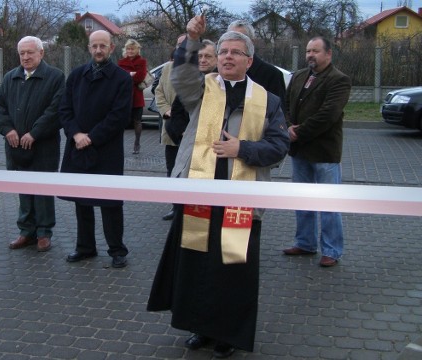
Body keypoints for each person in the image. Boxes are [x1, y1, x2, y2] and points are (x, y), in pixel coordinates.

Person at [147, 14, 290, 358]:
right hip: (199, 191)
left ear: (249, 60)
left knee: (232, 267)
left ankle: (227, 334)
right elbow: (180, 74)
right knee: (196, 263)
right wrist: (191, 39)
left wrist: (242, 148)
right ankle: (200, 327)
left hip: (240, 196)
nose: (227, 56)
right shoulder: (203, 88)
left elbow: (279, 145)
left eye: (235, 52)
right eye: (223, 51)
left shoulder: (267, 100)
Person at [59, 30, 133, 268]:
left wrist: (91, 137)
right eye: (94, 46)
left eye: (103, 46)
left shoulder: (121, 78)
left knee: (110, 202)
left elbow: (119, 116)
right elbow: (65, 109)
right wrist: (76, 134)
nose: (98, 50)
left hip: (106, 149)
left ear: (111, 48)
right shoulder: (77, 75)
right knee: (82, 201)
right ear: (89, 48)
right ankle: (85, 247)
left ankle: (117, 250)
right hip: (78, 146)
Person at [282, 36, 351, 267]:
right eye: (308, 51)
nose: (310, 55)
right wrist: (287, 125)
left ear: (328, 54)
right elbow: (285, 105)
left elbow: (328, 115)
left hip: (324, 152)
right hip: (299, 151)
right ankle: (305, 243)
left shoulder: (339, 80)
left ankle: (332, 250)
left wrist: (298, 132)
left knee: (329, 204)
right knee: (302, 200)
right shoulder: (299, 76)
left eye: (316, 51)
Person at [0, 36, 65, 252]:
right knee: (23, 189)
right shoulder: (10, 77)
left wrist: (34, 133)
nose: (25, 57)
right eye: (22, 53)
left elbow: (55, 110)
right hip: (16, 146)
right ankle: (26, 231)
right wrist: (8, 130)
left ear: (41, 53)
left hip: (43, 147)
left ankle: (44, 232)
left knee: (42, 190)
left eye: (30, 52)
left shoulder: (55, 77)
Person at [157, 37, 217, 220]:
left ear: (216, 59)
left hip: (210, 151)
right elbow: (175, 116)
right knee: (176, 175)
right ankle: (178, 209)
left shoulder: (221, 84)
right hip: (182, 143)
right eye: (200, 56)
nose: (203, 60)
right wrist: (183, 133)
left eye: (208, 56)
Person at [228, 20, 285, 102]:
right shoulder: (219, 74)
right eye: (230, 38)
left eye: (239, 39)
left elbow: (278, 112)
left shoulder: (271, 75)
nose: (234, 43)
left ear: (251, 42)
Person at [117, 39, 147, 154]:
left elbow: (140, 77)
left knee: (137, 121)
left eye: (132, 49)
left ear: (137, 50)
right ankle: (117, 143)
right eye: (128, 48)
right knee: (120, 121)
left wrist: (127, 75)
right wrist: (131, 74)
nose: (130, 51)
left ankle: (137, 142)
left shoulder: (142, 61)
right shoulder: (121, 62)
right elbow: (119, 78)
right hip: (124, 95)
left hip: (137, 96)